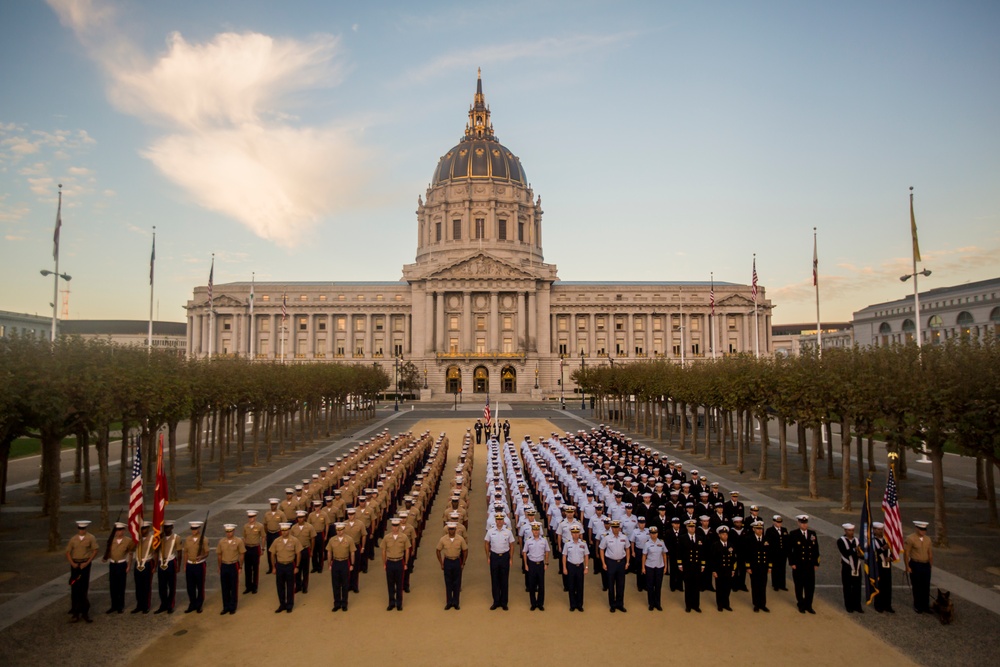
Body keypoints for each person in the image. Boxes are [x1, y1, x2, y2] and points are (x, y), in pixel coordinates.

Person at [65, 520, 98, 623]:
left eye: (83, 529)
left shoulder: (90, 538)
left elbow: (95, 551)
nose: (82, 531)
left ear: (86, 529)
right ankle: (75, 610)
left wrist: (87, 563)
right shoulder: (73, 539)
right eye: (80, 529)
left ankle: (84, 612)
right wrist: (72, 563)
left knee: (83, 588)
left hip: (84, 565)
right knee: (74, 587)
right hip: (75, 564)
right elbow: (68, 552)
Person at [788, 514, 820, 614]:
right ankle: (801, 604)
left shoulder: (812, 534)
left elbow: (816, 550)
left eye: (805, 523)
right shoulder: (794, 534)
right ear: (798, 523)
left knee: (810, 586)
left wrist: (816, 563)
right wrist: (792, 563)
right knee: (799, 585)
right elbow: (790, 550)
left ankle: (808, 605)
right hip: (798, 564)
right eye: (802, 523)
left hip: (809, 564)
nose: (804, 525)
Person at [269, 522, 302, 613]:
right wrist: (273, 567)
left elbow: (298, 553)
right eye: (282, 530)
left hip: (290, 565)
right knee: (280, 586)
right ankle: (282, 604)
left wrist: (297, 566)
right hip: (279, 565)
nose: (284, 532)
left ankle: (289, 605)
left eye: (286, 530)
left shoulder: (294, 540)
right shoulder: (276, 541)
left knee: (290, 586)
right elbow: (272, 554)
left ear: (289, 530)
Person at [485, 513, 515, 610]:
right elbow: (486, 543)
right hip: (494, 556)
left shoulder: (508, 532)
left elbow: (512, 545)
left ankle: (504, 602)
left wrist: (511, 558)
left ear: (503, 521)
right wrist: (488, 557)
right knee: (495, 579)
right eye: (498, 520)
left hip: (504, 557)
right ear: (495, 521)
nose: (499, 521)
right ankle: (496, 601)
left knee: (504, 579)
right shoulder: (490, 531)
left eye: (501, 520)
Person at [599, 519, 631, 613]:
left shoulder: (624, 537)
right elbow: (601, 549)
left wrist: (627, 562)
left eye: (617, 527)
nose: (615, 529)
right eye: (614, 527)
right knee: (611, 584)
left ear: (619, 528)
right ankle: (612, 605)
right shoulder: (607, 537)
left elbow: (627, 549)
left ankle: (620, 604)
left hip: (621, 562)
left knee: (621, 585)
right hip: (611, 562)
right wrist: (603, 563)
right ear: (611, 528)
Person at [102, 521, 133, 614]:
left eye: (120, 530)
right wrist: (105, 557)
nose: (118, 532)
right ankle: (113, 605)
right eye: (117, 530)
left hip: (121, 564)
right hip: (112, 564)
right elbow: (108, 551)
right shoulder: (111, 540)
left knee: (121, 586)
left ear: (123, 530)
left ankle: (120, 606)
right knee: (113, 586)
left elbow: (130, 553)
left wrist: (129, 566)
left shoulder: (128, 540)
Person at [437, 522, 468, 610]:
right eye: (450, 529)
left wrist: (463, 563)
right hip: (447, 561)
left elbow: (465, 550)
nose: (451, 530)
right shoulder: (443, 539)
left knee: (457, 583)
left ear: (455, 529)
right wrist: (441, 563)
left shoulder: (460, 539)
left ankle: (456, 602)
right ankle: (449, 602)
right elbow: (438, 550)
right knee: (448, 582)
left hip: (457, 561)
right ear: (448, 530)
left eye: (453, 529)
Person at [904, 520, 933, 614]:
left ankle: (925, 605)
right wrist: (907, 566)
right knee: (917, 586)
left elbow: (930, 552)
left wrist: (930, 564)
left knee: (926, 586)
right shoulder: (910, 539)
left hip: (925, 564)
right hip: (916, 564)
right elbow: (906, 553)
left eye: (924, 529)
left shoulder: (928, 539)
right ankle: (918, 605)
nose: (923, 531)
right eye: (921, 529)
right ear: (916, 528)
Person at [217, 523, 246, 615]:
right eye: (227, 532)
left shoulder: (238, 541)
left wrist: (240, 566)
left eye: (230, 531)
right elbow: (219, 555)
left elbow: (242, 554)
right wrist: (219, 567)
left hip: (234, 565)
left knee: (233, 587)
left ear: (233, 531)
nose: (228, 533)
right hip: (224, 565)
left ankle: (232, 606)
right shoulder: (221, 542)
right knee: (225, 587)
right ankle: (225, 607)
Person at [382, 518, 411, 610]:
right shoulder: (387, 537)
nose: (395, 528)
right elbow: (383, 551)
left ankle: (399, 603)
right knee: (390, 584)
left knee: (399, 584)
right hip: (390, 562)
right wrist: (384, 563)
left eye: (396, 526)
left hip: (399, 562)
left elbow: (407, 550)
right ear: (391, 527)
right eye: (393, 526)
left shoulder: (404, 537)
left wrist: (406, 562)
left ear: (399, 526)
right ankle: (391, 603)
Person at [677, 518, 705, 612]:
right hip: (687, 565)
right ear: (687, 527)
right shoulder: (682, 538)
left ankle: (696, 605)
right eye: (690, 527)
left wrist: (703, 564)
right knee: (688, 586)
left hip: (697, 565)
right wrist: (680, 564)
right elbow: (679, 552)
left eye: (693, 527)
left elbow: (702, 553)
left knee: (696, 586)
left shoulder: (700, 538)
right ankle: (688, 605)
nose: (692, 528)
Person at [180, 521, 208, 614]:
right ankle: (192, 604)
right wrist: (185, 565)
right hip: (190, 564)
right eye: (192, 529)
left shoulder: (204, 539)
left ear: (199, 529)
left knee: (200, 586)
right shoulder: (188, 539)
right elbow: (186, 553)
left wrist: (202, 556)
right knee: (190, 586)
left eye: (195, 529)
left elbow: (207, 552)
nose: (193, 531)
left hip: (199, 564)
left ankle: (199, 605)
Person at [326, 522, 355, 612]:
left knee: (345, 584)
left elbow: (352, 552)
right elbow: (329, 552)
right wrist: (329, 564)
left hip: (345, 562)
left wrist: (352, 564)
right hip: (335, 562)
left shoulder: (349, 539)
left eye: (341, 530)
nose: (339, 532)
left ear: (344, 529)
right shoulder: (332, 540)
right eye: (338, 530)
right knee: (335, 584)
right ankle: (337, 603)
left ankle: (344, 603)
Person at [521, 522, 550, 610]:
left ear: (539, 531)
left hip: (540, 564)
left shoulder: (544, 540)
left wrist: (546, 563)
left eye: (537, 530)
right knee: (532, 585)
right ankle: (533, 604)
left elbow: (547, 551)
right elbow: (524, 552)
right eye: (534, 530)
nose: (536, 532)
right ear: (532, 531)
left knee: (541, 585)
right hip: (532, 564)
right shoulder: (528, 540)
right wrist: (526, 564)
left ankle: (540, 604)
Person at [837, 523, 864, 613]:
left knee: (857, 587)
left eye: (852, 530)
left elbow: (862, 554)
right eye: (849, 530)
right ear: (845, 531)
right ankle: (849, 606)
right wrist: (854, 550)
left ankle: (857, 605)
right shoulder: (841, 541)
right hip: (847, 567)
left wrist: (861, 554)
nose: (851, 532)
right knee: (847, 587)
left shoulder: (857, 540)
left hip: (857, 566)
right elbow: (845, 552)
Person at [746, 521, 771, 612]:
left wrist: (770, 566)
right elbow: (747, 554)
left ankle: (763, 604)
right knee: (755, 586)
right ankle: (756, 604)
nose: (760, 531)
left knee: (763, 586)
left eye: (761, 529)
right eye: (758, 529)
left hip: (763, 566)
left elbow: (770, 554)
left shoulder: (766, 539)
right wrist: (748, 567)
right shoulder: (750, 539)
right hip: (754, 567)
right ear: (754, 529)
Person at [562, 526, 589, 612]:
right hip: (571, 566)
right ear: (571, 534)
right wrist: (564, 568)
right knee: (571, 586)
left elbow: (586, 555)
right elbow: (564, 556)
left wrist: (586, 567)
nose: (575, 534)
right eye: (574, 533)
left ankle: (579, 605)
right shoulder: (567, 543)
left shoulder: (583, 543)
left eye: (577, 533)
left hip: (580, 566)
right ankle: (572, 604)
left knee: (580, 586)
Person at [155, 520, 179, 614]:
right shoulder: (160, 538)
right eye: (165, 527)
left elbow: (179, 552)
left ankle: (170, 605)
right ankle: (163, 604)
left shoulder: (176, 538)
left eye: (168, 527)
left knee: (171, 585)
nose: (166, 529)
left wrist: (178, 566)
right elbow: (156, 551)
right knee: (162, 586)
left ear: (172, 527)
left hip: (171, 562)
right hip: (161, 562)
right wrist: (159, 539)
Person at [641, 526, 667, 611]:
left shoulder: (661, 543)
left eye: (655, 533)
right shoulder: (647, 544)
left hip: (659, 566)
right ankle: (651, 603)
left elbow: (664, 554)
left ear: (657, 533)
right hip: (649, 566)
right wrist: (643, 567)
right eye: (652, 533)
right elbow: (644, 555)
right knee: (650, 586)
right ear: (650, 534)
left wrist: (666, 566)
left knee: (658, 586)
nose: (654, 535)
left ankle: (658, 603)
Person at [711, 525, 736, 612]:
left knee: (727, 588)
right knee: (720, 588)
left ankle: (726, 604)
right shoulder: (715, 545)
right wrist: (714, 570)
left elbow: (733, 559)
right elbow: (713, 559)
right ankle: (720, 604)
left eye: (726, 534)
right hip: (719, 570)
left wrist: (733, 569)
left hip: (728, 570)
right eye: (723, 534)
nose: (725, 536)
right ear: (719, 535)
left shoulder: (731, 545)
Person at [132, 521, 155, 614]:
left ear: (148, 528)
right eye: (141, 528)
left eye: (144, 528)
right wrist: (137, 539)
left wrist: (155, 566)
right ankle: (139, 605)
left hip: (147, 563)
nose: (143, 530)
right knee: (138, 586)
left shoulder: (152, 539)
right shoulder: (137, 539)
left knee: (146, 586)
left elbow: (156, 553)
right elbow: (131, 548)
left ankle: (146, 605)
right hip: (137, 563)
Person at [242, 510, 265, 594]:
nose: (250, 519)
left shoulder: (260, 526)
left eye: (252, 517)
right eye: (249, 517)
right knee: (247, 568)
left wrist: (262, 548)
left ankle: (255, 586)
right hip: (247, 548)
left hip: (255, 548)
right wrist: (243, 549)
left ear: (255, 517)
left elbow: (263, 537)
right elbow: (244, 538)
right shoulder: (245, 526)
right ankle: (248, 586)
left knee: (255, 568)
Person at [765, 515, 789, 591]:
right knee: (775, 569)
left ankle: (782, 584)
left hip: (782, 553)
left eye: (780, 522)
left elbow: (786, 541)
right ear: (774, 522)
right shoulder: (770, 530)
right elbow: (768, 542)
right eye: (777, 522)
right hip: (774, 553)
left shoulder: (784, 530)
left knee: (782, 569)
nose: (779, 524)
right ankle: (775, 584)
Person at [263, 499, 286, 574]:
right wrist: (267, 533)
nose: (273, 506)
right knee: (270, 551)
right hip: (270, 533)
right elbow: (265, 525)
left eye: (274, 504)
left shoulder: (281, 514)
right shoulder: (267, 514)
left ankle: (278, 566)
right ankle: (271, 567)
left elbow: (284, 525)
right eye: (272, 504)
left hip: (277, 533)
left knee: (278, 550)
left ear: (277, 505)